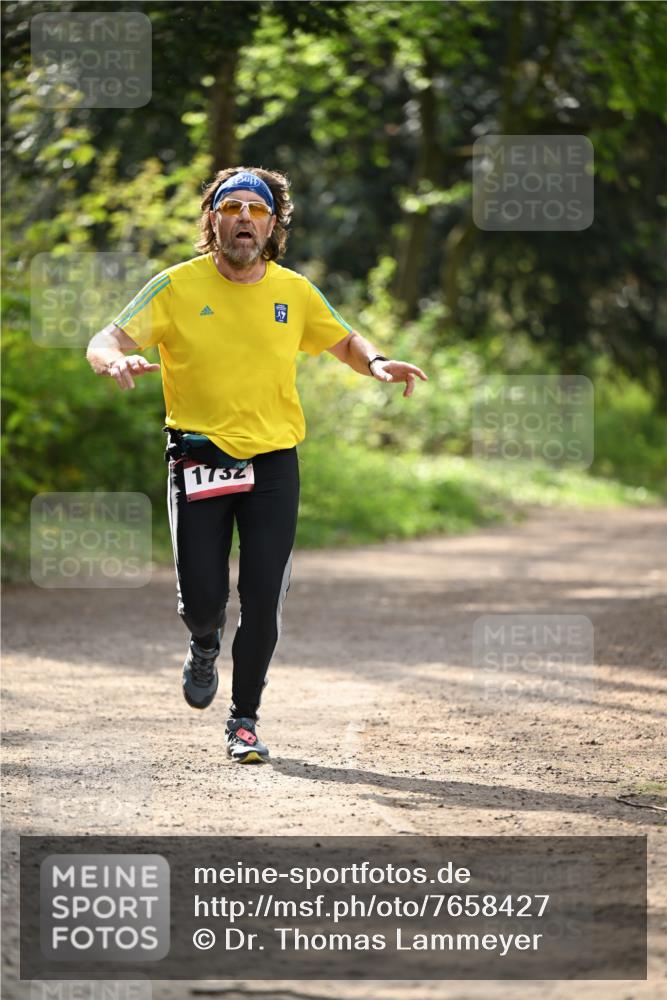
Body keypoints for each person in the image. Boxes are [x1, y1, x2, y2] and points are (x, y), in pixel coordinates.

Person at [86, 166, 427, 763]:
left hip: (271, 463)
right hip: (198, 456)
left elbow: (345, 340)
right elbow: (105, 338)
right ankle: (203, 642)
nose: (244, 217)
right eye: (231, 207)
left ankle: (244, 721)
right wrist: (111, 358)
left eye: (257, 209)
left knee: (263, 595)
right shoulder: (174, 287)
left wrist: (377, 363)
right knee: (201, 601)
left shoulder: (293, 291)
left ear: (273, 226)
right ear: (212, 220)